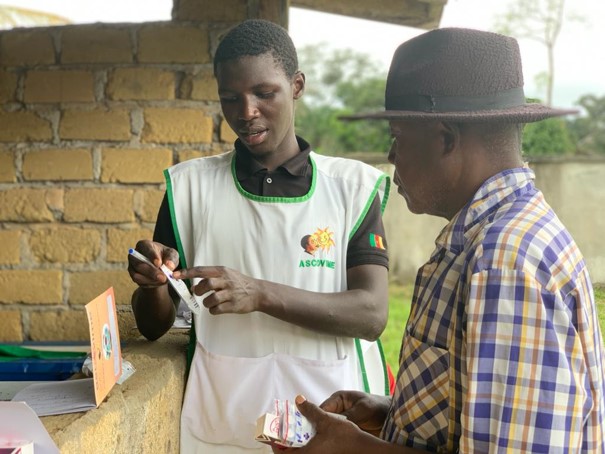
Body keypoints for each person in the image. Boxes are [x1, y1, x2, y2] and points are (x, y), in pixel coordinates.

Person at [285, 27, 605, 453]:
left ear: (446, 139)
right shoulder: (484, 239)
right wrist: (394, 414)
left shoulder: (504, 262)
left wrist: (354, 449)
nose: (392, 156)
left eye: (397, 136)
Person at [127, 19, 393, 453]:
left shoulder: (352, 189)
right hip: (225, 428)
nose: (245, 112)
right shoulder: (190, 188)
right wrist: (155, 285)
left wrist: (259, 293)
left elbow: (371, 314)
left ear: (297, 86)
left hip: (334, 426)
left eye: (264, 94)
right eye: (230, 98)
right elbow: (154, 325)